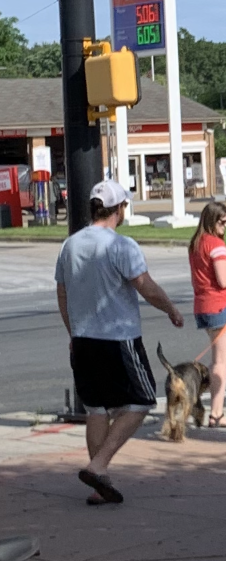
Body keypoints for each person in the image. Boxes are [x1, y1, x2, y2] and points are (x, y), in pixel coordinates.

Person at [55, 177, 184, 506]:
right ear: (119, 209)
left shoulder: (71, 245)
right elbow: (146, 286)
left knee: (96, 410)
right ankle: (98, 466)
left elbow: (63, 292)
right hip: (118, 339)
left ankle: (100, 485)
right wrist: (171, 309)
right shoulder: (121, 245)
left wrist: (73, 333)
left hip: (83, 341)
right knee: (141, 401)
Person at [187, 199, 226, 427]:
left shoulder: (196, 244)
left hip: (202, 306)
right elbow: (223, 280)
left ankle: (215, 411)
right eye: (222, 222)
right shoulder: (216, 245)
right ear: (213, 221)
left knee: (217, 359)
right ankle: (216, 413)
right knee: (220, 363)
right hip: (219, 305)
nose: (224, 226)